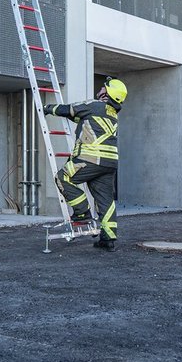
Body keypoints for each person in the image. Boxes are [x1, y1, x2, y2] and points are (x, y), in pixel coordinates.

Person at [43, 77, 128, 251]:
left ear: (107, 93)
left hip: (90, 158)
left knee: (63, 177)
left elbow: (69, 109)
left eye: (104, 87)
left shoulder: (94, 105)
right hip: (109, 163)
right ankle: (108, 239)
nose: (101, 88)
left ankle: (82, 212)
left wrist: (49, 108)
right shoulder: (112, 114)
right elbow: (83, 119)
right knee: (105, 200)